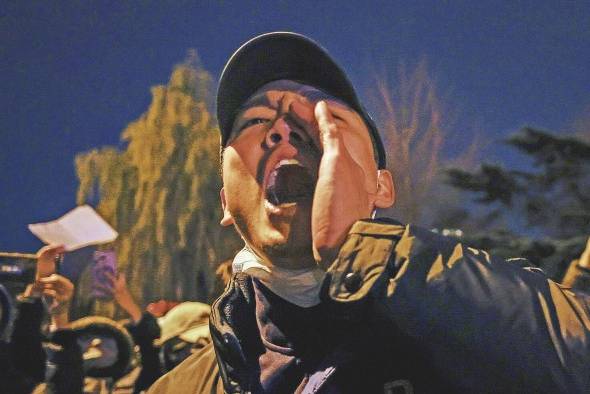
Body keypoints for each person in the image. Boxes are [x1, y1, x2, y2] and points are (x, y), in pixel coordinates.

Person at [148, 32, 590, 393]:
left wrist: (364, 253)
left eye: (325, 117)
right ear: (225, 201)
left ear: (381, 186)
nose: (283, 129)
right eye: (254, 122)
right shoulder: (182, 386)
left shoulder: (475, 316)